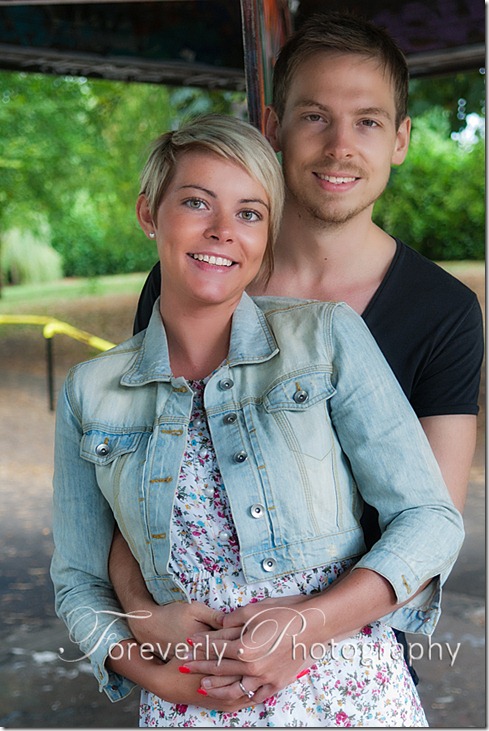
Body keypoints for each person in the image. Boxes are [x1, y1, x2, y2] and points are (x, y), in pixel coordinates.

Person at [50, 113, 464, 728]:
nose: (223, 231)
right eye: (197, 202)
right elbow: (79, 583)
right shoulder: (90, 393)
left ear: (268, 235)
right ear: (148, 213)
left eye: (249, 213)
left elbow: (430, 519)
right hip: (188, 709)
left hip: (350, 697)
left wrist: (303, 627)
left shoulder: (325, 339)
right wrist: (162, 674)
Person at [124, 11, 483, 688]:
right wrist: (144, 617)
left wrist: (303, 629)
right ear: (272, 127)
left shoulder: (443, 313)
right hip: (198, 663)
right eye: (315, 116)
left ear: (400, 139)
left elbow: (429, 533)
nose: (339, 146)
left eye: (368, 121)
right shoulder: (192, 279)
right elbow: (130, 488)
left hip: (352, 667)